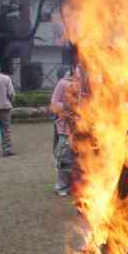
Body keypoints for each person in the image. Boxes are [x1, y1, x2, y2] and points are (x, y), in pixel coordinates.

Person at [51, 65, 82, 196]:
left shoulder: (88, 85)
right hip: (66, 128)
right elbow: (54, 103)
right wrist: (68, 108)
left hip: (85, 128)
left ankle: (79, 187)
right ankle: (62, 187)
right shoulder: (63, 83)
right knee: (65, 157)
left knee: (82, 160)